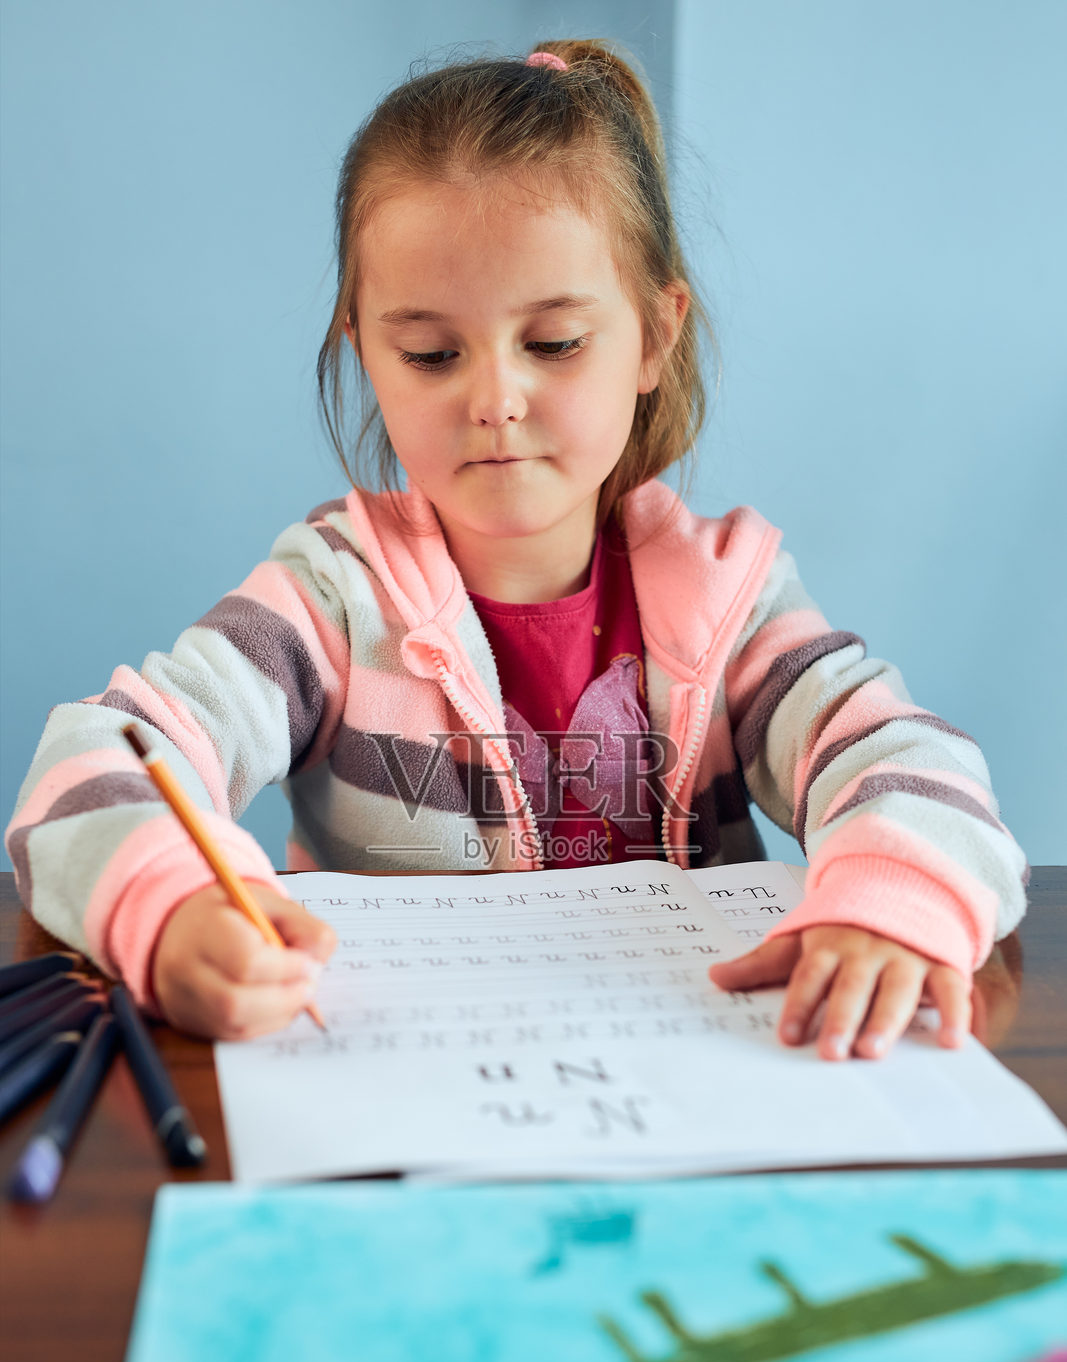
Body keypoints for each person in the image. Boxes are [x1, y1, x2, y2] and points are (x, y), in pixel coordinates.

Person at [7, 41, 1026, 1055]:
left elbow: (909, 761)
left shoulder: (732, 597)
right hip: (400, 1076)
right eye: (430, 353)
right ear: (363, 349)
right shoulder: (327, 598)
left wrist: (886, 907)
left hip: (694, 1069)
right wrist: (171, 906)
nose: (493, 399)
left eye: (552, 343)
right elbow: (97, 758)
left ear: (654, 335)